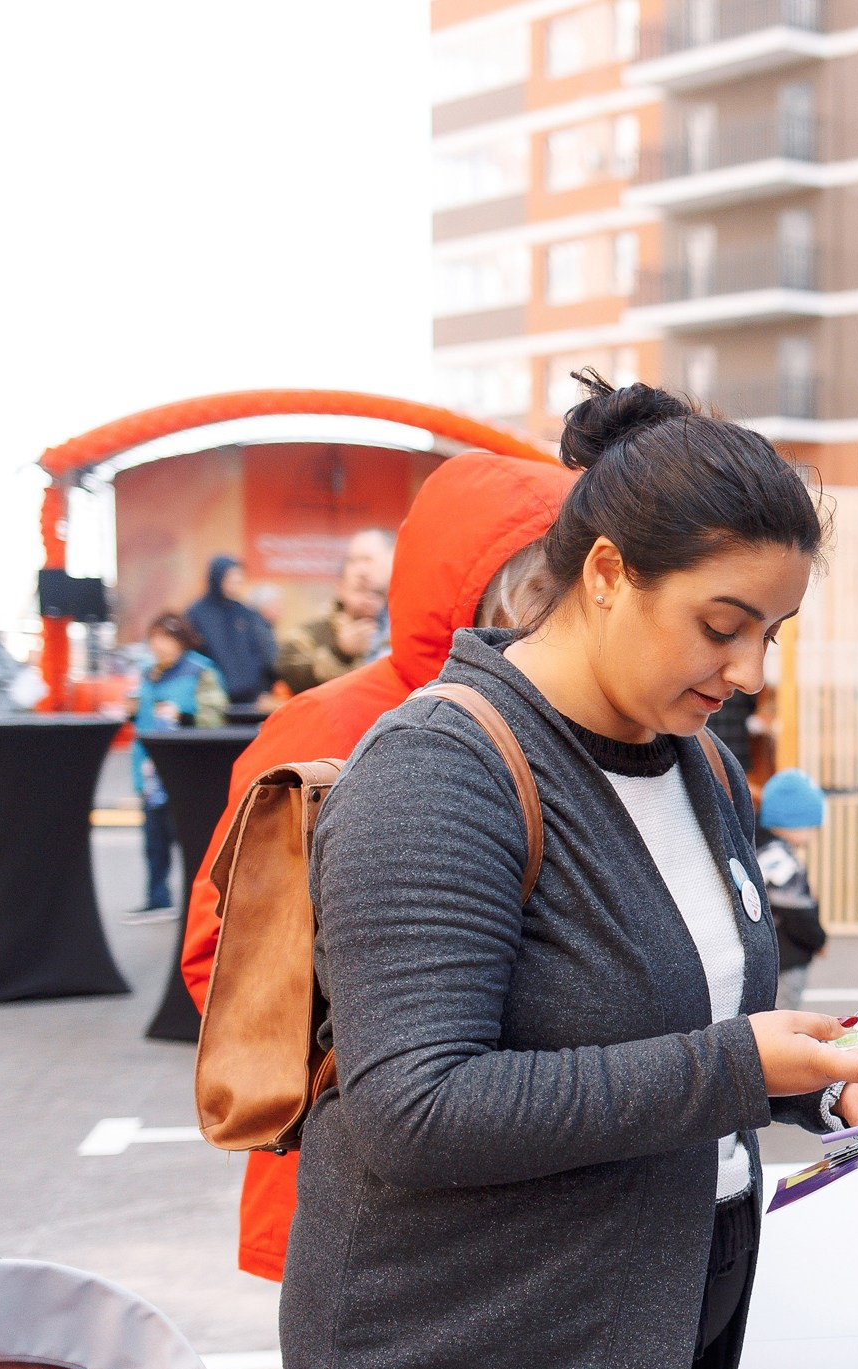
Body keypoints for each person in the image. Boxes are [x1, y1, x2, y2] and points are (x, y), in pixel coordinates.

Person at [285, 373, 858, 1369]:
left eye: (775, 633)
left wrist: (824, 1083)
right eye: (721, 623)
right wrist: (749, 1066)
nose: (750, 668)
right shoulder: (441, 773)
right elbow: (415, 1109)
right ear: (603, 575)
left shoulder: (692, 764)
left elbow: (679, 1021)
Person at [183, 451, 571, 1286]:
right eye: (552, 586)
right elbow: (226, 963)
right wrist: (399, 1063)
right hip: (358, 1193)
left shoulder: (580, 727)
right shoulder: (328, 726)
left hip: (530, 1189)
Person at [126, 614, 227, 919]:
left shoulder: (201, 671)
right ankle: (158, 898)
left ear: (182, 640)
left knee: (189, 841)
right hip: (150, 769)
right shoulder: (146, 673)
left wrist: (183, 717)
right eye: (155, 639)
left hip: (186, 769)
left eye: (167, 638)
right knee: (153, 840)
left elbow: (214, 717)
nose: (160, 646)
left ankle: (198, 905)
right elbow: (139, 717)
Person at [276, 529, 395, 694]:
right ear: (340, 589)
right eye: (353, 561)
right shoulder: (311, 634)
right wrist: (341, 652)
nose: (362, 572)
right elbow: (290, 672)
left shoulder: (406, 629)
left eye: (368, 560)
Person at [756, 767, 828, 1009]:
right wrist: (818, 940)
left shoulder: (757, 845)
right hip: (785, 960)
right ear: (797, 822)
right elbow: (798, 910)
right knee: (783, 1015)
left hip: (769, 958)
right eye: (813, 827)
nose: (814, 834)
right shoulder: (777, 859)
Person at [183, 556, 278, 707]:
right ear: (217, 577)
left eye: (239, 577)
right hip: (213, 699)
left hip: (251, 698)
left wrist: (263, 689)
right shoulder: (197, 614)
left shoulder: (244, 613)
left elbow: (260, 654)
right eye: (231, 577)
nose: (236, 582)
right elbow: (191, 656)